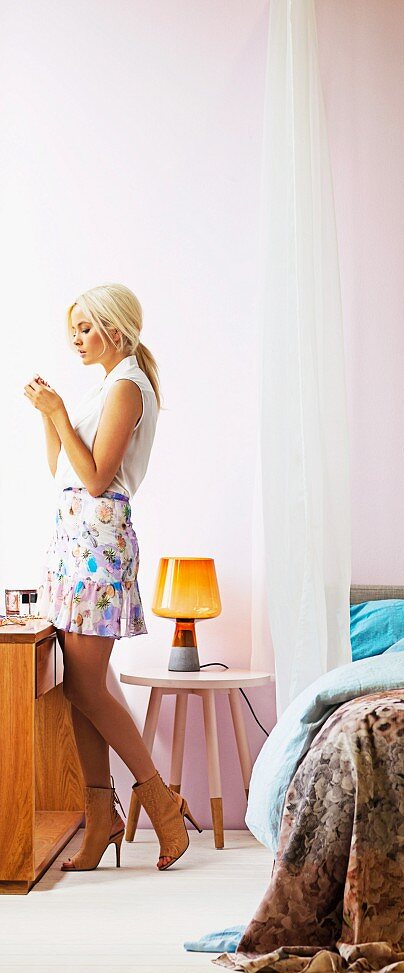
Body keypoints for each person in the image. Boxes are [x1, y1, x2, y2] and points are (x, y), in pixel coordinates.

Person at [23, 284, 200, 872]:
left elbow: (98, 479)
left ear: (115, 330)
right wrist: (52, 417)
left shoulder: (128, 386)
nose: (76, 339)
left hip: (97, 544)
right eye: (71, 329)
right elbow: (61, 470)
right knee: (79, 684)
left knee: (89, 687)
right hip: (75, 543)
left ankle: (161, 804)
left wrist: (56, 415)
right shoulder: (106, 385)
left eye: (85, 328)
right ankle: (101, 818)